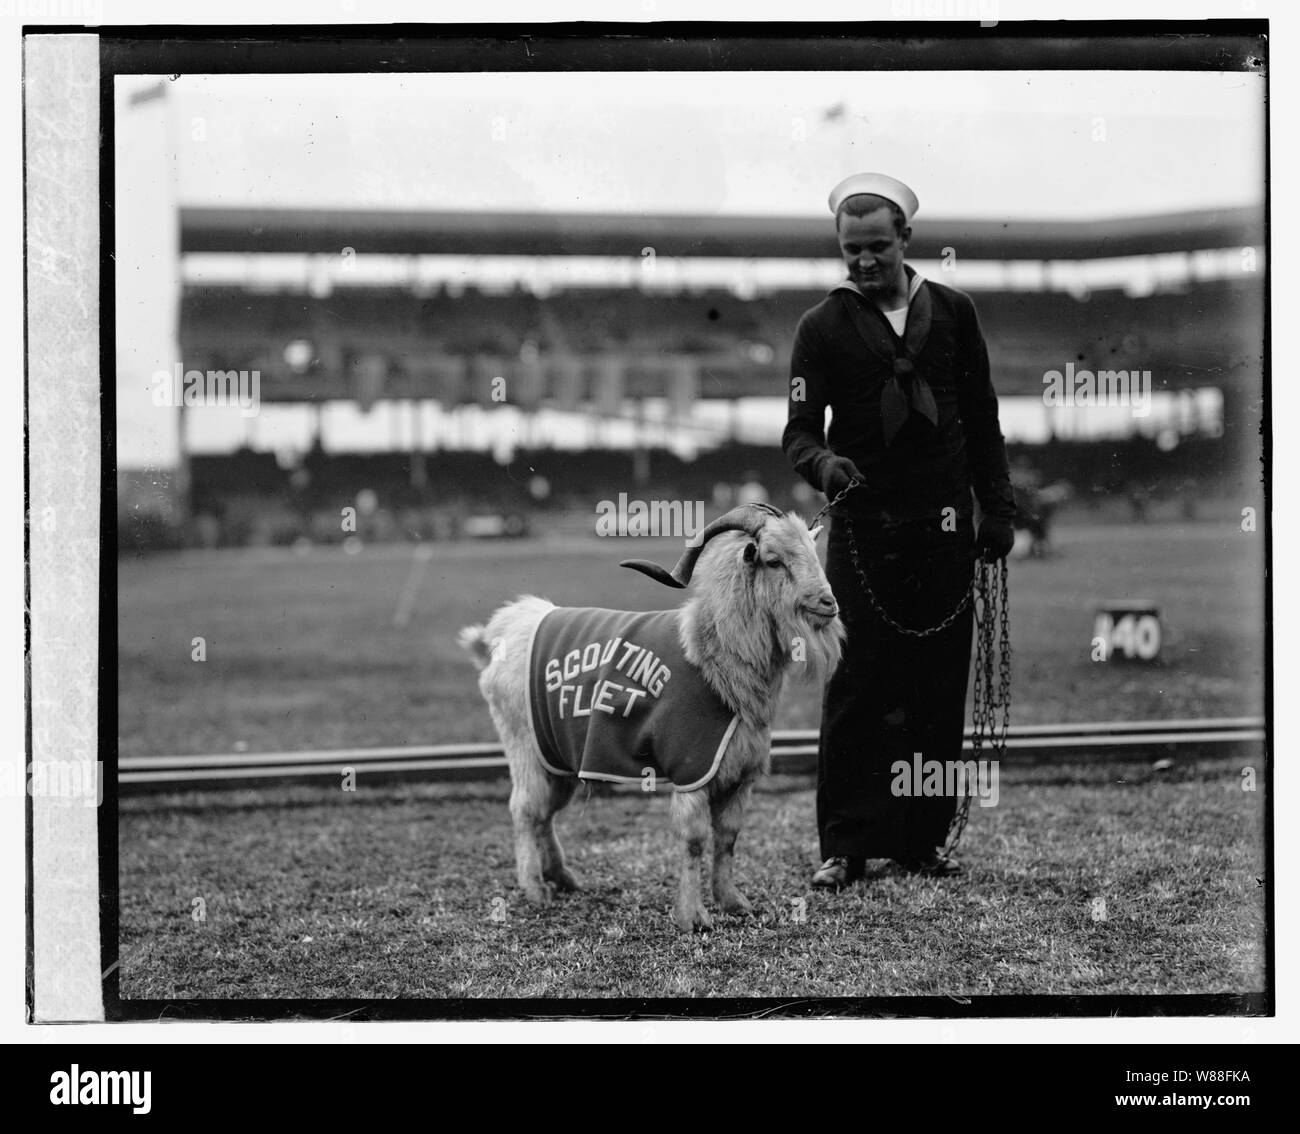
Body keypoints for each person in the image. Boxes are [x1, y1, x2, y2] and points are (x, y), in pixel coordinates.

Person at [782, 173, 1016, 886]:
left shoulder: (955, 312)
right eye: (850, 250)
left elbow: (982, 416)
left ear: (906, 240)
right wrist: (824, 464)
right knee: (857, 682)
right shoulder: (819, 327)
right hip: (863, 533)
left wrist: (997, 507)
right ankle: (847, 844)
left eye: (877, 247)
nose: (863, 262)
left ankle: (921, 839)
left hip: (944, 531)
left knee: (937, 685)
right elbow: (797, 434)